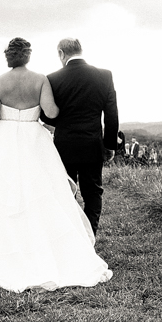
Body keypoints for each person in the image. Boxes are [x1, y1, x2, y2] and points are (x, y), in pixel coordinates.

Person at [0, 37, 112, 292]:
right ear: (28, 57)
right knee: (41, 192)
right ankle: (44, 249)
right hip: (34, 138)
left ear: (8, 57)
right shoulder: (41, 79)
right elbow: (51, 113)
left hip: (4, 139)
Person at [40, 38, 119, 236]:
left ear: (61, 53)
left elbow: (45, 114)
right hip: (92, 144)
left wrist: (65, 123)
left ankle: (70, 236)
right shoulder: (104, 76)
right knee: (93, 192)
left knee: (66, 191)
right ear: (81, 50)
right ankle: (89, 235)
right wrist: (109, 146)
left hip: (64, 145)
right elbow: (111, 114)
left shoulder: (52, 79)